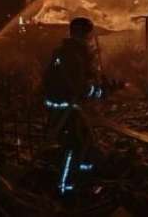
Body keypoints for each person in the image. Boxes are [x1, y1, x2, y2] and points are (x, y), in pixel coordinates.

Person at [42, 17, 105, 196]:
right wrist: (98, 92)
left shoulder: (65, 52)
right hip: (66, 108)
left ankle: (84, 179)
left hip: (62, 106)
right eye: (88, 34)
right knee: (74, 146)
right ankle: (66, 189)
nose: (90, 38)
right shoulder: (73, 55)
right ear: (84, 34)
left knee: (86, 141)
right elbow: (80, 87)